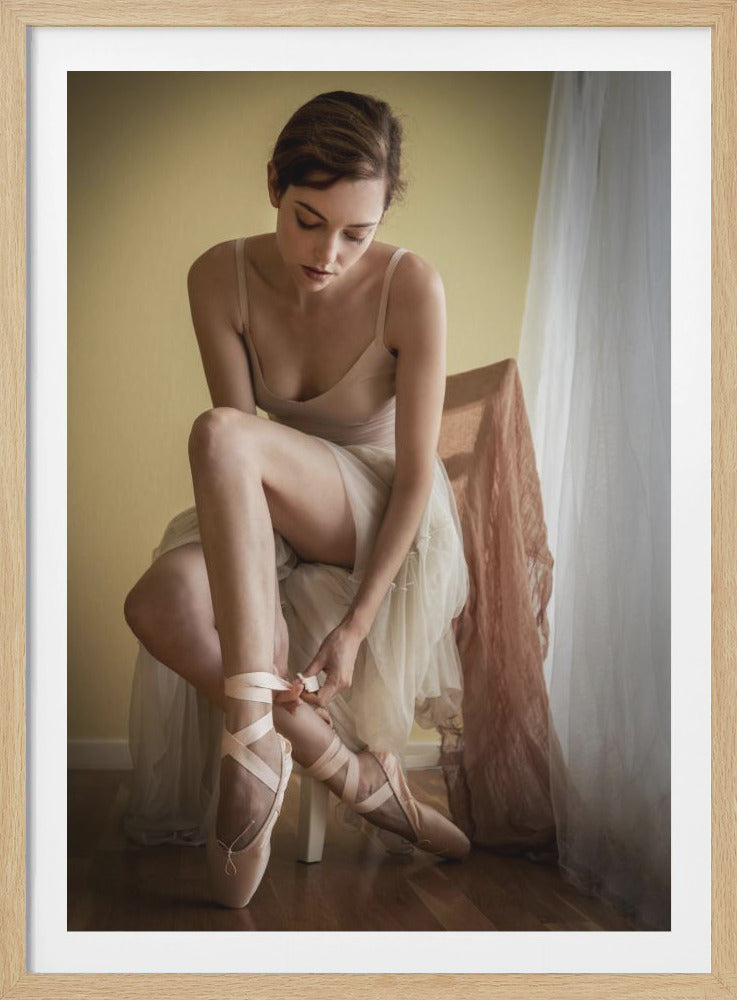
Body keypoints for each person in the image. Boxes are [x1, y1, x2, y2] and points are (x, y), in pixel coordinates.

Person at [123, 90, 471, 909]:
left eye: (359, 232)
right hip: (278, 498)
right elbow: (242, 447)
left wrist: (355, 625)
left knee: (217, 433)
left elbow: (419, 476)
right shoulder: (219, 275)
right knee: (156, 602)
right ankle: (332, 761)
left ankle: (249, 745)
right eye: (308, 220)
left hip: (379, 509)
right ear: (275, 182)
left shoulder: (411, 285)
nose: (330, 253)